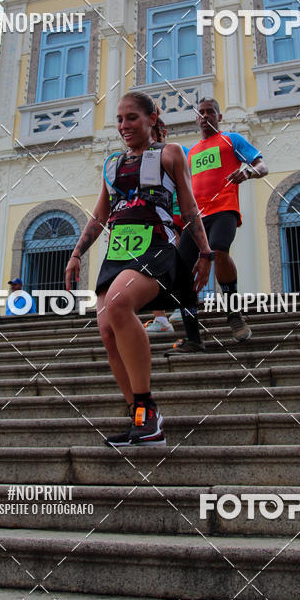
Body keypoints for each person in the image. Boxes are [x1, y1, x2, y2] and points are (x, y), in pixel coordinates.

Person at [65, 91, 213, 448]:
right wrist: (76, 253)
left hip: (157, 245)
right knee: (107, 330)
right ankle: (142, 420)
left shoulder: (170, 153)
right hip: (118, 253)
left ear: (152, 118)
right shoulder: (111, 164)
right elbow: (100, 216)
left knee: (119, 303)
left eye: (131, 117)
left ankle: (147, 412)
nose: (124, 125)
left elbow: (189, 207)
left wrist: (206, 252)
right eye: (119, 119)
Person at [168, 97, 268, 354]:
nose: (205, 116)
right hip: (195, 218)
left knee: (219, 249)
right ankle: (193, 337)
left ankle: (234, 314)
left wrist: (247, 172)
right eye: (200, 112)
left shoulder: (231, 140)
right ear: (196, 118)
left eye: (210, 112)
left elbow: (262, 165)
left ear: (219, 116)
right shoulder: (191, 153)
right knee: (181, 273)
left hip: (224, 209)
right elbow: (183, 189)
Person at [144, 120, 189, 337]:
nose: (151, 139)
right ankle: (160, 317)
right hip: (154, 219)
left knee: (177, 259)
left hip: (178, 215)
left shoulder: (178, 152)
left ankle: (181, 305)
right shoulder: (145, 158)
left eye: (154, 134)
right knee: (152, 265)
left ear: (163, 132)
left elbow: (191, 182)